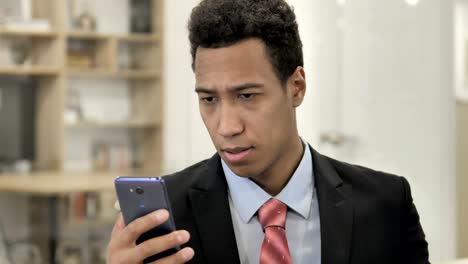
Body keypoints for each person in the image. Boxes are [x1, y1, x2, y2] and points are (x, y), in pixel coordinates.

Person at [107, 0, 430, 263]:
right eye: (209, 99)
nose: (226, 127)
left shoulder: (386, 203)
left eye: (247, 96)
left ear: (296, 87)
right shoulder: (166, 219)